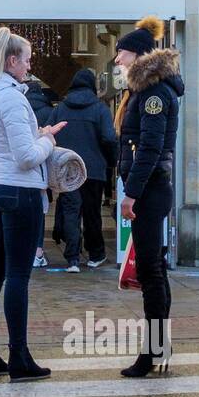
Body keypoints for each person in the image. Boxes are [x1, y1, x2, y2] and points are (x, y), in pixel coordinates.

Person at [0, 27, 65, 380]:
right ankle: (20, 357)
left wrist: (37, 137)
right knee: (17, 276)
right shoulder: (11, 98)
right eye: (26, 60)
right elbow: (26, 156)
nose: (29, 66)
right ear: (12, 61)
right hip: (20, 189)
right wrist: (48, 142)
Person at [113, 16, 184, 378]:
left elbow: (150, 149)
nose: (117, 61)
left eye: (121, 53)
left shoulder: (154, 94)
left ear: (139, 55)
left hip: (150, 190)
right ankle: (159, 347)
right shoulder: (145, 90)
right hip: (151, 189)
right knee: (154, 268)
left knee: (151, 271)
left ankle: (152, 352)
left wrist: (131, 195)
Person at [49, 69, 118, 272]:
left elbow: (47, 134)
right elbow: (109, 138)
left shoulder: (60, 109)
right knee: (92, 212)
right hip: (94, 170)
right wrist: (111, 161)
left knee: (71, 212)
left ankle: (72, 258)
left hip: (68, 169)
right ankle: (95, 254)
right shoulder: (100, 109)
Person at [25, 76, 59, 269]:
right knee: (39, 212)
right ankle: (37, 252)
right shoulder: (50, 112)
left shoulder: (20, 110)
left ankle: (21, 251)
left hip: (20, 172)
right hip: (42, 170)